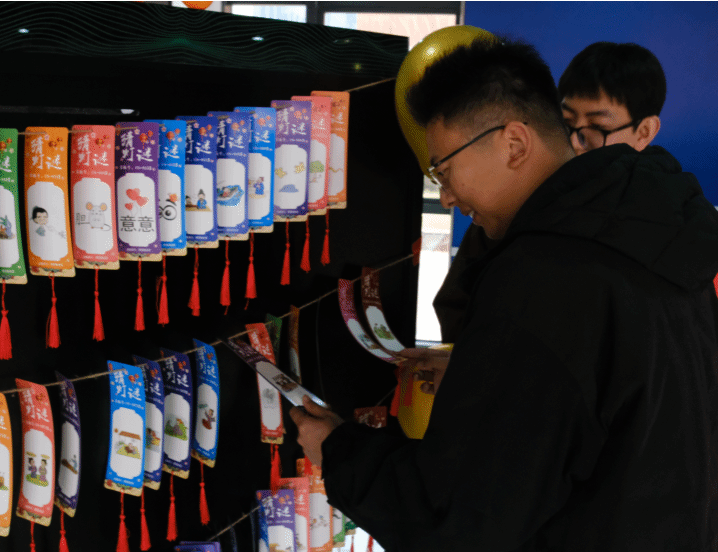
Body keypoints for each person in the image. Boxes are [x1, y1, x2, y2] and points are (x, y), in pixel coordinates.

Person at [290, 35, 718, 551]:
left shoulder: (545, 274)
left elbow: (458, 516)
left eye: (444, 170)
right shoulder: (651, 223)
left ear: (514, 143)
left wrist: (336, 450)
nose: (448, 196)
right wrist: (486, 370)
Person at [434, 41, 668, 347]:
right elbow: (457, 308)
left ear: (645, 132)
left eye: (596, 128)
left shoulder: (660, 224)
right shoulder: (512, 209)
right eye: (566, 123)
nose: (575, 144)